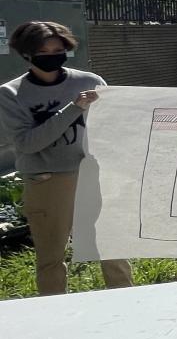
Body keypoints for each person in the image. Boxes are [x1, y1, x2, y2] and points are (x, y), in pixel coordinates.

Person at [0, 21, 133, 295]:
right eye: (43, 52)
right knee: (51, 256)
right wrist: (74, 108)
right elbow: (27, 143)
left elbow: (114, 126)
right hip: (47, 181)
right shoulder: (11, 94)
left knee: (111, 248)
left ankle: (125, 300)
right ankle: (54, 307)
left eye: (58, 50)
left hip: (92, 175)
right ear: (26, 54)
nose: (52, 57)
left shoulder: (89, 82)